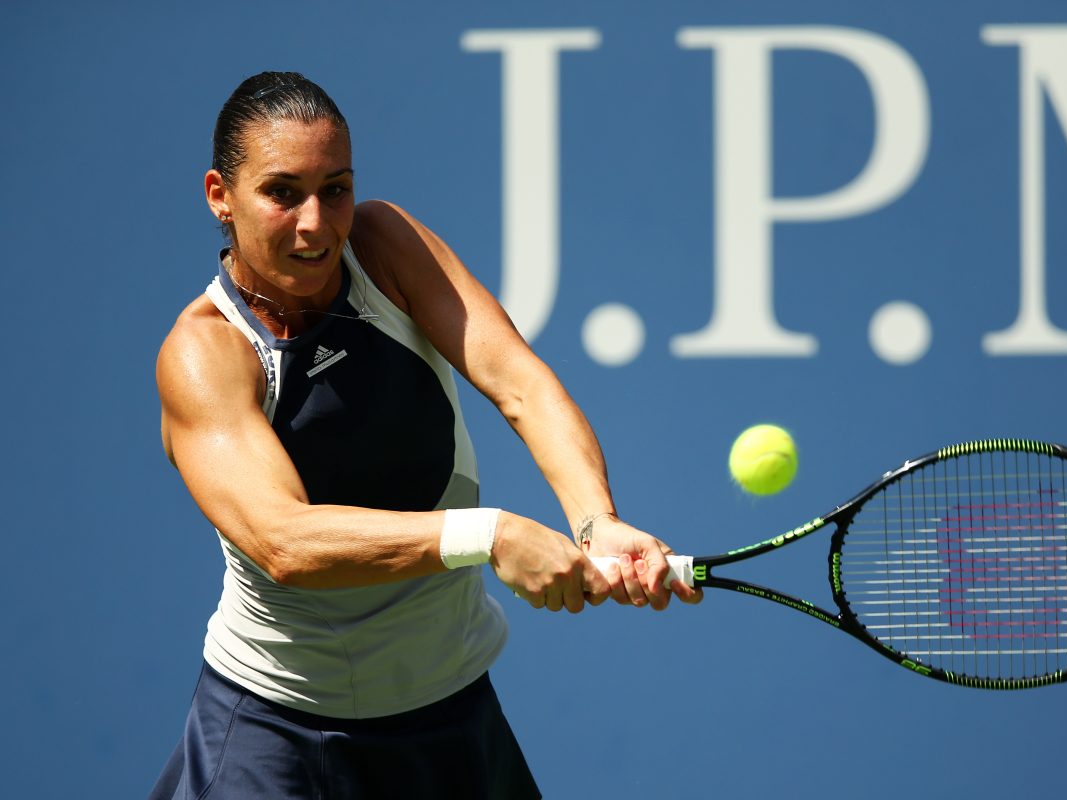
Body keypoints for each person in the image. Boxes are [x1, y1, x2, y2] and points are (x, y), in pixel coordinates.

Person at [149, 71, 700, 800]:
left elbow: (520, 383)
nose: (316, 223)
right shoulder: (205, 354)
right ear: (221, 195)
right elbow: (284, 541)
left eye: (335, 188)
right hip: (278, 739)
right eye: (282, 193)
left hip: (450, 716)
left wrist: (596, 520)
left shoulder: (385, 247)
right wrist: (491, 534)